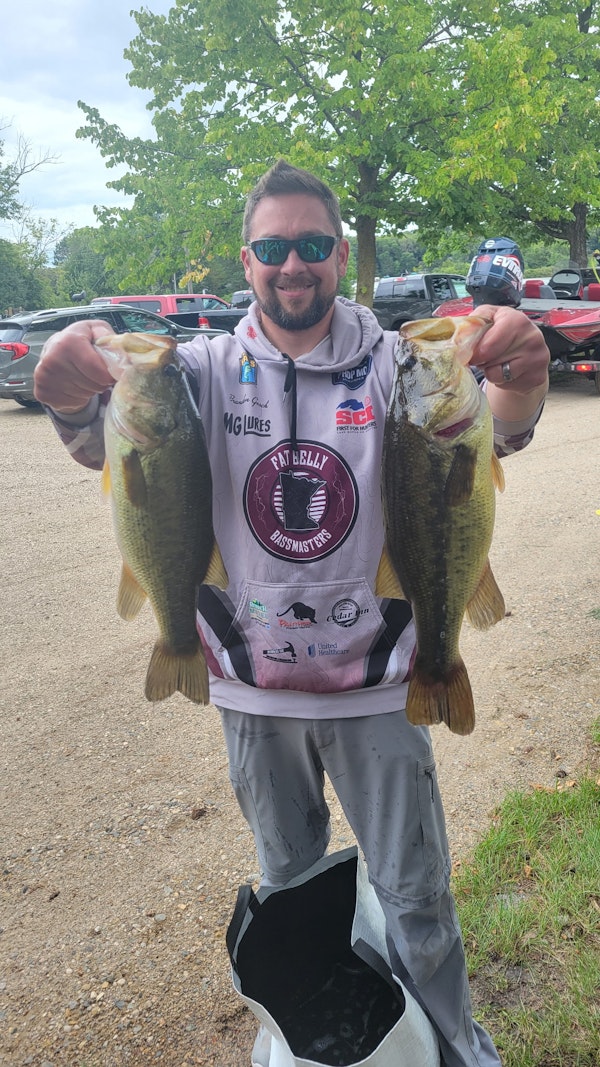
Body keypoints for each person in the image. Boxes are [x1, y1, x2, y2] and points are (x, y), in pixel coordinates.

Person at [34, 160, 550, 1067]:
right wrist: (66, 385)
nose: (293, 265)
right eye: (273, 249)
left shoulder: (397, 362)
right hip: (252, 690)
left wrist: (526, 369)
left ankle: (456, 1050)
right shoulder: (198, 370)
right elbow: (99, 441)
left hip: (379, 688)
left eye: (312, 245)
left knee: (419, 899)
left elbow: (499, 420)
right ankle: (327, 1045)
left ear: (341, 254)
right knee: (293, 896)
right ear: (247, 261)